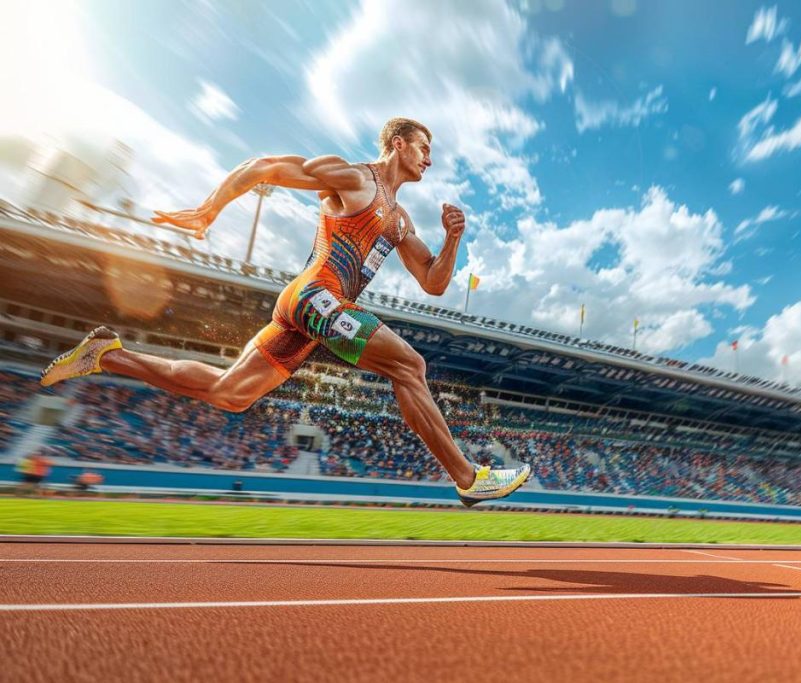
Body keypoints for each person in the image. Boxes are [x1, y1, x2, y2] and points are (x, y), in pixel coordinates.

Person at [39, 117, 530, 506]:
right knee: (410, 364)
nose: (431, 158)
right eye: (425, 147)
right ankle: (468, 477)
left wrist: (452, 239)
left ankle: (107, 354)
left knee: (229, 393)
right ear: (399, 143)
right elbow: (267, 166)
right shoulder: (355, 177)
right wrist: (210, 209)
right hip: (314, 294)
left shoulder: (399, 221)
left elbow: (434, 282)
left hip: (311, 315)